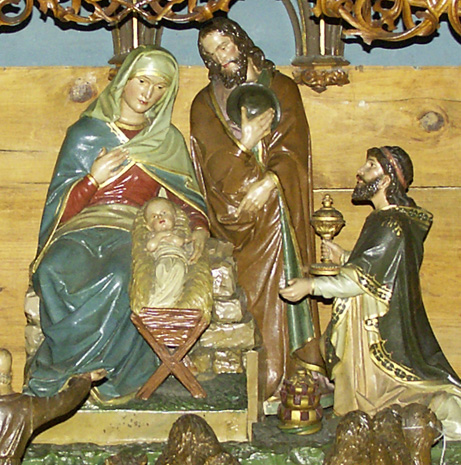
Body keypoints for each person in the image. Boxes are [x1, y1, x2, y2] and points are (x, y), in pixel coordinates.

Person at [25, 45, 209, 403]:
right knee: (51, 270)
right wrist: (93, 178)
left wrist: (199, 227)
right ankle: (67, 366)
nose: (148, 93)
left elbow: (186, 199)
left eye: (160, 86)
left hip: (131, 230)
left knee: (120, 277)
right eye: (142, 81)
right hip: (82, 228)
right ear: (124, 80)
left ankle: (101, 372)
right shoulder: (86, 133)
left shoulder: (166, 141)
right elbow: (59, 203)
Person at [280, 145, 461, 439]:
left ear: (387, 179)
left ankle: (440, 411)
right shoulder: (386, 220)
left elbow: (362, 279)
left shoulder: (392, 223)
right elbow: (378, 267)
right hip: (370, 321)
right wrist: (344, 256)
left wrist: (311, 286)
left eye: (370, 166)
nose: (360, 172)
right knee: (371, 393)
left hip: (380, 328)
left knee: (384, 390)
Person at [190, 17, 323, 398]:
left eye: (225, 46)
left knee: (285, 283)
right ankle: (258, 375)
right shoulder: (204, 103)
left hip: (278, 213)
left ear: (241, 40)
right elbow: (214, 166)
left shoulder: (282, 88)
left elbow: (293, 151)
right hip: (234, 218)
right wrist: (244, 144)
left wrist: (271, 181)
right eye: (212, 54)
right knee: (248, 296)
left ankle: (294, 372)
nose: (222, 57)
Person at [131, 197, 193, 311]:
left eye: (164, 213)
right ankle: (158, 301)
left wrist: (172, 237)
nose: (160, 217)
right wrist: (159, 236)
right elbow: (150, 246)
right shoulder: (153, 236)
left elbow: (180, 242)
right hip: (162, 258)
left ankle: (171, 302)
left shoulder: (177, 233)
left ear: (174, 217)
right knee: (161, 270)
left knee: (178, 270)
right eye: (154, 217)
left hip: (178, 259)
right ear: (149, 226)